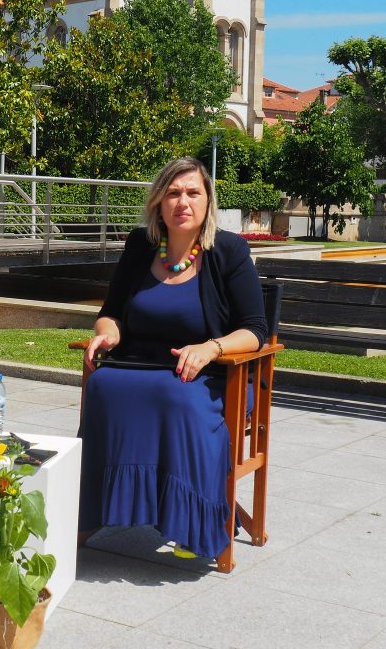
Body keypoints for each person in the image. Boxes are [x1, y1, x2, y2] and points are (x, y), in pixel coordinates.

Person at [78, 157, 267, 560]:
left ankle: (189, 521)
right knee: (103, 386)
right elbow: (110, 311)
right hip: (137, 365)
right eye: (174, 193)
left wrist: (211, 347)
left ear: (208, 200)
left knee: (176, 398)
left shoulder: (229, 251)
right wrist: (107, 332)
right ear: (159, 203)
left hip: (213, 375)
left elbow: (255, 330)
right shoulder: (140, 245)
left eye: (193, 192)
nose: (183, 201)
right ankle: (92, 511)